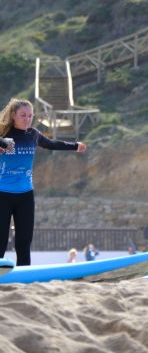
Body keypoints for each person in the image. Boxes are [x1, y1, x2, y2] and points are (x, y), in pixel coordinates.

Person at [0, 98, 87, 266]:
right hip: (2, 194)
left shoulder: (33, 134)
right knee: (0, 240)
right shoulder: (4, 135)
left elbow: (52, 143)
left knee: (24, 241)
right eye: (23, 115)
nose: (27, 119)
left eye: (30, 116)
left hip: (25, 195)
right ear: (13, 116)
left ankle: (23, 275)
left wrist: (74, 146)